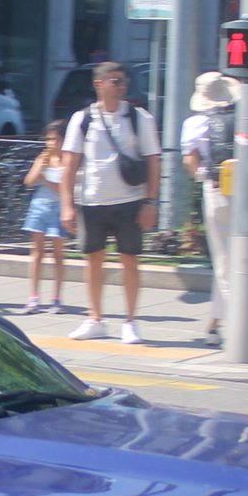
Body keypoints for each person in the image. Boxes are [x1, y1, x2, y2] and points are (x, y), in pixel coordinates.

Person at [58, 60, 159, 343]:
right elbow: (69, 165)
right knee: (93, 261)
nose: (122, 86)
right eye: (116, 81)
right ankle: (95, 318)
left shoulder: (140, 118)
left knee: (130, 260)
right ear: (99, 84)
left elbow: (153, 162)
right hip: (92, 200)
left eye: (124, 81)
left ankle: (130, 320)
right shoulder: (82, 118)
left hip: (130, 201)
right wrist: (67, 204)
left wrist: (151, 202)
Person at [181, 71, 244, 348]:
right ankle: (214, 325)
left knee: (224, 262)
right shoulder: (245, 117)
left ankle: (241, 324)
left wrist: (204, 176)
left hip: (219, 191)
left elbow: (190, 161)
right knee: (241, 259)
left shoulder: (196, 122)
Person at [19, 121, 71, 314]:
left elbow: (65, 189)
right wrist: (38, 169)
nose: (51, 143)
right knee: (37, 253)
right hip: (39, 207)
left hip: (59, 209)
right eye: (48, 139)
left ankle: (56, 298)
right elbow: (29, 182)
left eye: (55, 139)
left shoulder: (68, 161)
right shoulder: (42, 158)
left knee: (58, 255)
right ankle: (33, 297)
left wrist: (44, 180)